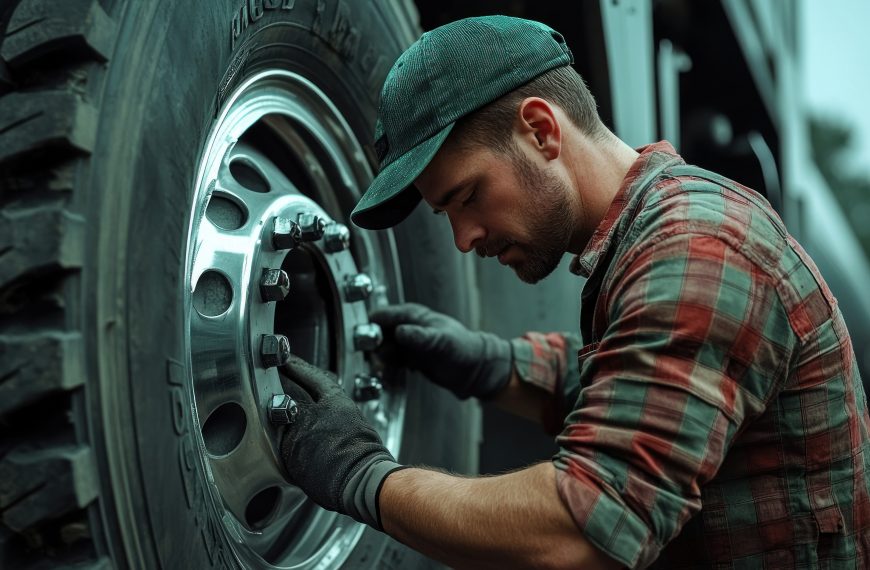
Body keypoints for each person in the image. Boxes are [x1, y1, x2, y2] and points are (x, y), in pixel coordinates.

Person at [277, 15, 870, 569]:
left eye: (466, 196)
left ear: (540, 130)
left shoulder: (698, 245)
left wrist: (361, 477)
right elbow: (636, 382)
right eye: (446, 214)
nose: (462, 239)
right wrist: (486, 364)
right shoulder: (657, 228)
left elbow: (585, 527)